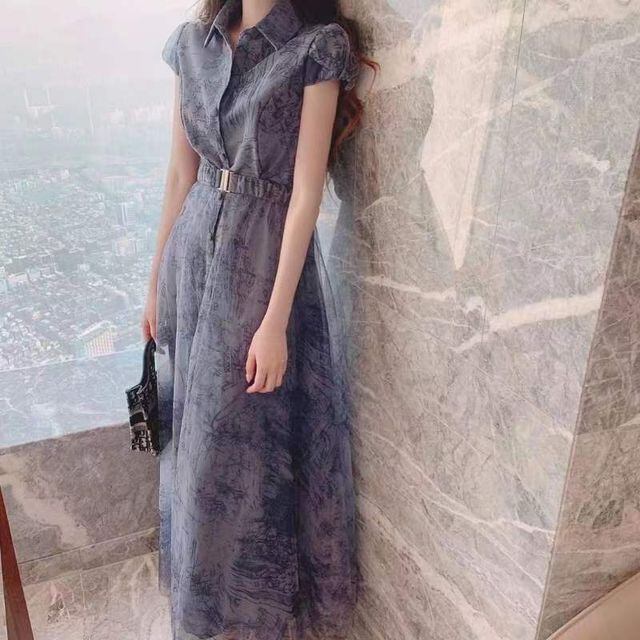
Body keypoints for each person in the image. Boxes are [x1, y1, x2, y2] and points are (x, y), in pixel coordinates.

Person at [141, 0, 368, 637]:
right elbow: (180, 175)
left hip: (262, 267)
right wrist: (154, 285)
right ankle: (203, 605)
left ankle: (252, 612)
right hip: (193, 261)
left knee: (241, 450)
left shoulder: (315, 49)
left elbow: (305, 193)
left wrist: (273, 323)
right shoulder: (193, 44)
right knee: (192, 443)